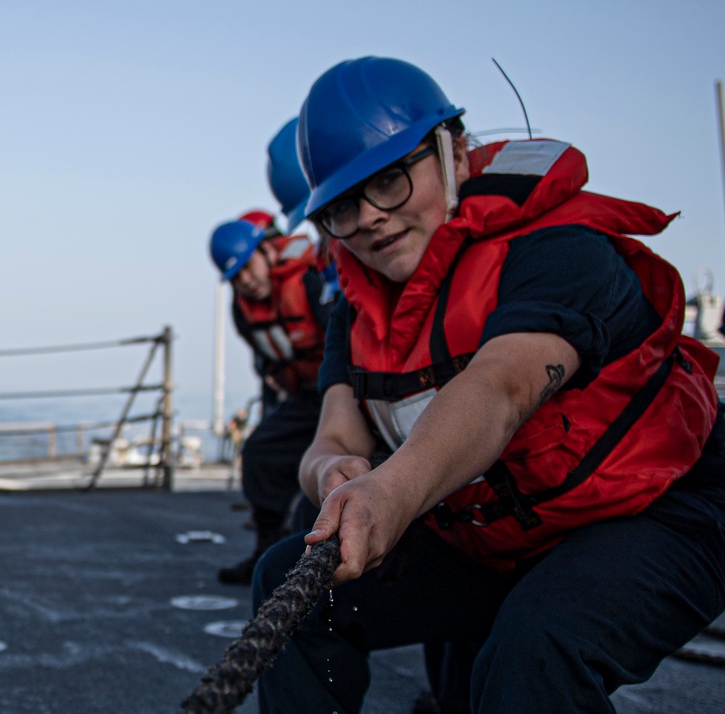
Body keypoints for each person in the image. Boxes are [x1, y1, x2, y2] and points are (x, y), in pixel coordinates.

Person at [253, 56, 725, 713]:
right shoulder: (358, 311)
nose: (368, 219)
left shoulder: (558, 251)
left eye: (389, 180)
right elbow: (332, 430)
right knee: (291, 583)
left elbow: (503, 387)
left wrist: (388, 492)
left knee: (538, 647)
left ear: (455, 153)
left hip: (657, 509)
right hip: (503, 534)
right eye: (339, 206)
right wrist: (333, 473)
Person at [208, 207, 334, 585]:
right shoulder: (242, 309)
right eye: (236, 276)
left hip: (344, 390)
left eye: (249, 267)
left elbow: (342, 342)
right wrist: (270, 416)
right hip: (306, 397)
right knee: (261, 453)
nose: (246, 280)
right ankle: (267, 553)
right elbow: (267, 366)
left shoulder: (309, 282)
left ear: (267, 252)